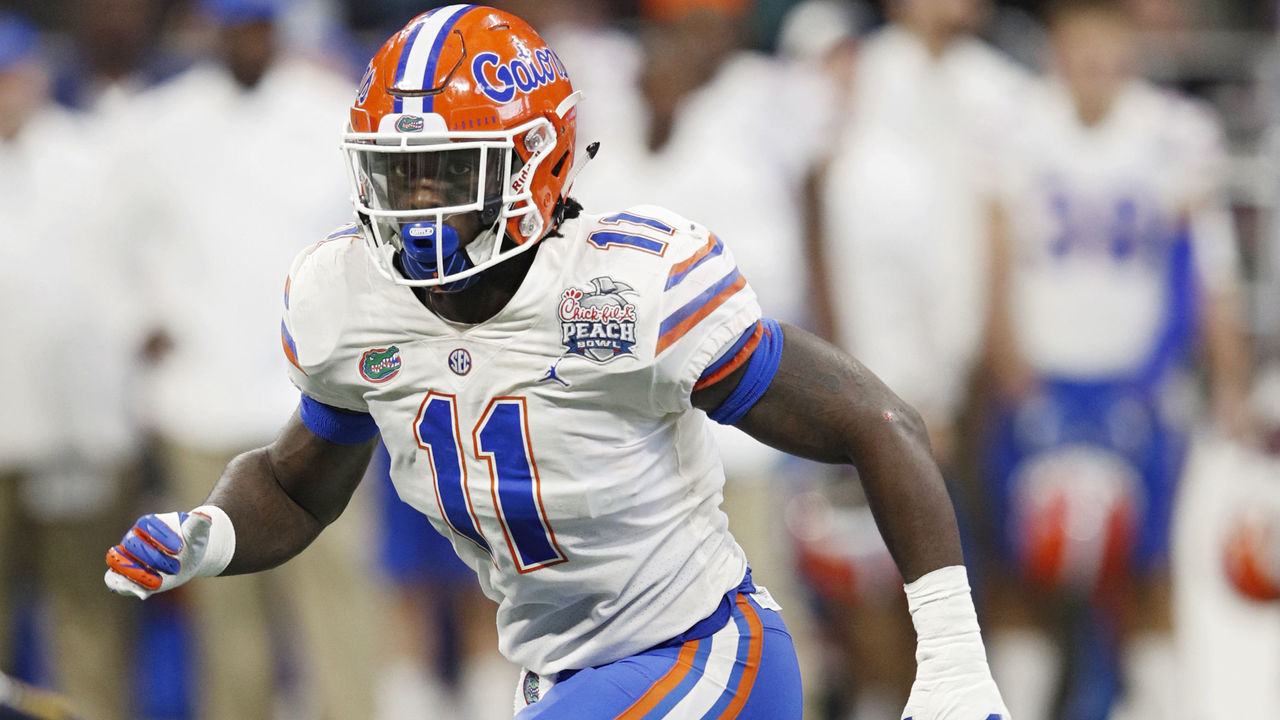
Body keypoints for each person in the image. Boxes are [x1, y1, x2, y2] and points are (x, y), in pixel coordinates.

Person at [104, 6, 1009, 718]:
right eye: (395, 175)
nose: (414, 210)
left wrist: (955, 657)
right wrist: (213, 534)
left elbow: (874, 420)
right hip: (559, 676)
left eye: (446, 176)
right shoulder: (351, 300)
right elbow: (299, 484)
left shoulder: (624, 288)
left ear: (535, 166)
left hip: (698, 652)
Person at [980, 1, 1253, 718]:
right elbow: (997, 254)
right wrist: (1008, 369)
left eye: (1107, 55)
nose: (1094, 72)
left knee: (1150, 566)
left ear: (1129, 55)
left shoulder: (1174, 131)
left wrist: (1230, 381)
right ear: (1056, 53)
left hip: (1139, 380)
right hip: (1046, 376)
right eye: (1080, 54)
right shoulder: (1019, 122)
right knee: (1024, 566)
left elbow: (1208, 267)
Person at [118, 1, 385, 718]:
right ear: (211, 30)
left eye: (260, 24)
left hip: (319, 408)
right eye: (235, 25)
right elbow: (120, 241)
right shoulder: (160, 122)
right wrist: (145, 315)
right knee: (226, 622)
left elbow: (373, 241)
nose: (248, 39)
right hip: (200, 400)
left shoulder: (331, 113)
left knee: (337, 604)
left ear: (279, 27)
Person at [0, 12, 146, 720]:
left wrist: (114, 416)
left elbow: (127, 291)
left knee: (88, 621)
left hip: (80, 433)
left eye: (10, 78)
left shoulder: (93, 158)